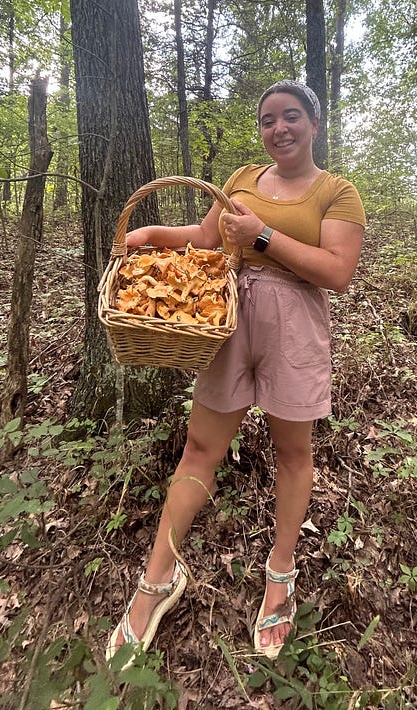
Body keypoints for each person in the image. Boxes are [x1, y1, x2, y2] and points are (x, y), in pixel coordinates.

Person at [106, 79, 366, 661]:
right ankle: (157, 579)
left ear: (314, 124)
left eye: (292, 116)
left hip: (295, 327)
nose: (280, 128)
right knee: (200, 449)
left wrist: (263, 236)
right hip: (226, 317)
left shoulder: (337, 192)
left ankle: (280, 573)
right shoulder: (241, 181)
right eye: (269, 119)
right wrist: (151, 235)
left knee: (294, 455)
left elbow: (337, 271)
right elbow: (203, 239)